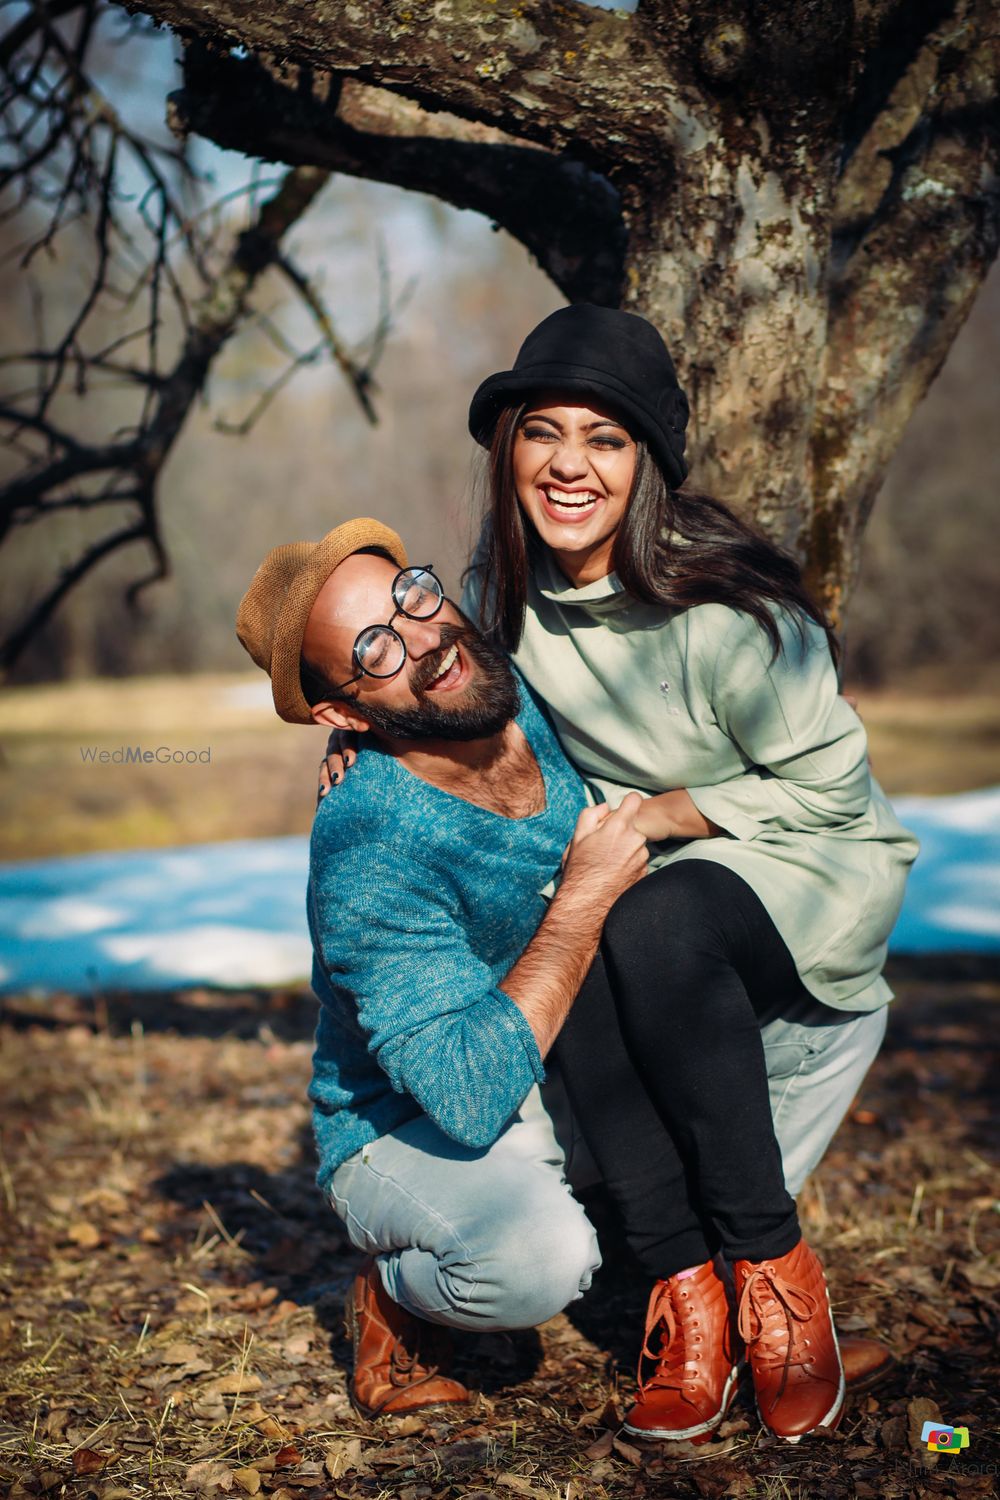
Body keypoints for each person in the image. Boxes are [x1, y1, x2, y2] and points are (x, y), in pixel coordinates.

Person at [240, 517, 900, 1435]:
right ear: (342, 715)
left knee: (831, 1011)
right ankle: (396, 1295)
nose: (424, 643)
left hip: (561, 1058)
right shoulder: (367, 846)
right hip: (415, 1115)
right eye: (374, 650)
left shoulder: (511, 691)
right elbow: (464, 1095)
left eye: (412, 598)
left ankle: (742, 1285)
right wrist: (583, 896)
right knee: (534, 1262)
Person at [453, 302, 919, 1443]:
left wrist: (660, 814)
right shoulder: (503, 599)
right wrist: (355, 745)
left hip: (808, 860)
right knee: (587, 909)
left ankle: (771, 1270)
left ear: (646, 465)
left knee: (647, 918)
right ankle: (685, 1294)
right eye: (543, 433)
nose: (569, 465)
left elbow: (834, 796)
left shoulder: (729, 614)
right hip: (657, 879)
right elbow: (447, 716)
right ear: (508, 446)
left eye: (605, 440)